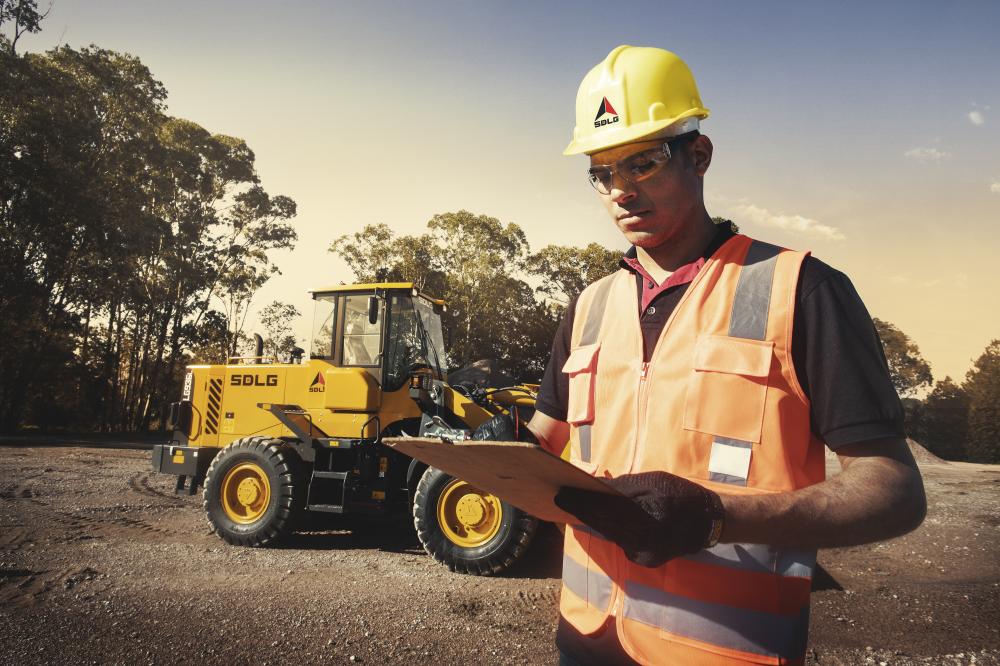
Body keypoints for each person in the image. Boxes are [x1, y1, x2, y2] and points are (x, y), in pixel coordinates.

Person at [475, 45, 926, 665]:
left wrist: (717, 517)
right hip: (585, 640)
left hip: (725, 653)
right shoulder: (588, 308)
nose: (621, 190)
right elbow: (546, 447)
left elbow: (894, 489)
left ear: (700, 155)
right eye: (602, 172)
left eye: (644, 163)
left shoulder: (802, 290)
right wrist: (493, 448)